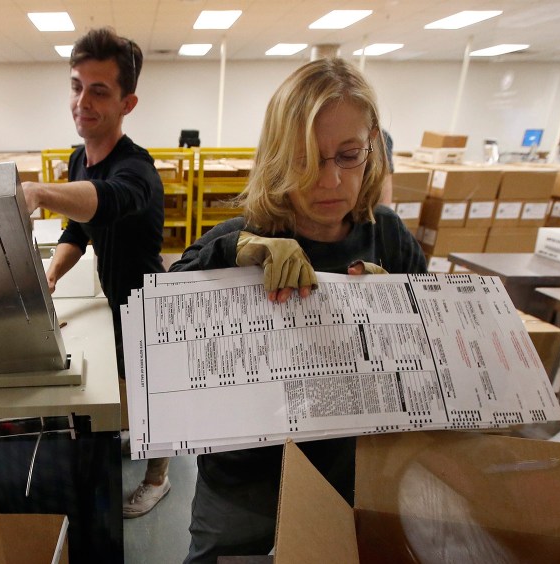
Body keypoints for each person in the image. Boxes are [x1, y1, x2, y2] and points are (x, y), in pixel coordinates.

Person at [169, 57, 427, 563]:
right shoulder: (242, 236)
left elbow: (428, 362)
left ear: (372, 146)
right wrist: (235, 250)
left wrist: (394, 311)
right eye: (309, 159)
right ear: (279, 157)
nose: (330, 181)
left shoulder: (390, 240)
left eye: (348, 155)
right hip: (241, 486)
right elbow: (165, 309)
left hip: (345, 477)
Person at [22, 27, 170, 519]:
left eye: (99, 90)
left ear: (128, 103)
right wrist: (53, 273)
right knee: (123, 387)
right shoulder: (78, 159)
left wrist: (40, 192)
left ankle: (159, 478)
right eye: (76, 86)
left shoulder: (138, 171)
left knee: (151, 393)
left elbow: (107, 202)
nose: (82, 101)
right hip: (112, 294)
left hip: (148, 300)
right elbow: (79, 228)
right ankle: (139, 438)